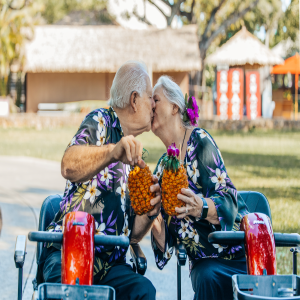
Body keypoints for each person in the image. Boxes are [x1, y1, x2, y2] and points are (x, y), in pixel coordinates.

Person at [40, 61, 160, 300]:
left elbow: (132, 236)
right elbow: (68, 164)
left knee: (144, 291)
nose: (155, 104)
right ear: (134, 100)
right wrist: (112, 152)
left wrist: (150, 212)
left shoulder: (137, 155)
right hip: (70, 252)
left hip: (109, 265)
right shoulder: (101, 121)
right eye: (150, 97)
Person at [151, 76, 249, 300]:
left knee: (207, 277)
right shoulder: (161, 170)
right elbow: (166, 249)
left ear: (175, 107)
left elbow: (229, 201)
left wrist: (201, 207)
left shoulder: (200, 142)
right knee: (205, 275)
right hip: (203, 267)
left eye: (156, 99)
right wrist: (153, 217)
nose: (151, 106)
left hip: (236, 258)